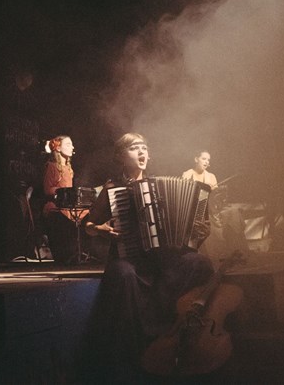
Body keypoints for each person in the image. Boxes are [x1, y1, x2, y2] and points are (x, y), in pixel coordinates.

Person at [79, 133, 214, 383]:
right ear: (121, 156)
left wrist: (200, 233)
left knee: (200, 263)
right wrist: (100, 229)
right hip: (129, 258)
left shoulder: (158, 185)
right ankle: (140, 343)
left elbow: (190, 232)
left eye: (144, 148)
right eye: (134, 148)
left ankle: (183, 332)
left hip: (162, 260)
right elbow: (86, 224)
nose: (142, 152)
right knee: (124, 274)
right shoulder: (113, 189)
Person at [41, 135, 85, 263]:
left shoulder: (69, 169)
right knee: (65, 219)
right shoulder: (51, 166)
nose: (72, 147)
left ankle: (79, 253)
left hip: (68, 206)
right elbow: (47, 189)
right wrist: (62, 191)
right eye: (68, 144)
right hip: (55, 206)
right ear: (58, 148)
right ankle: (66, 255)